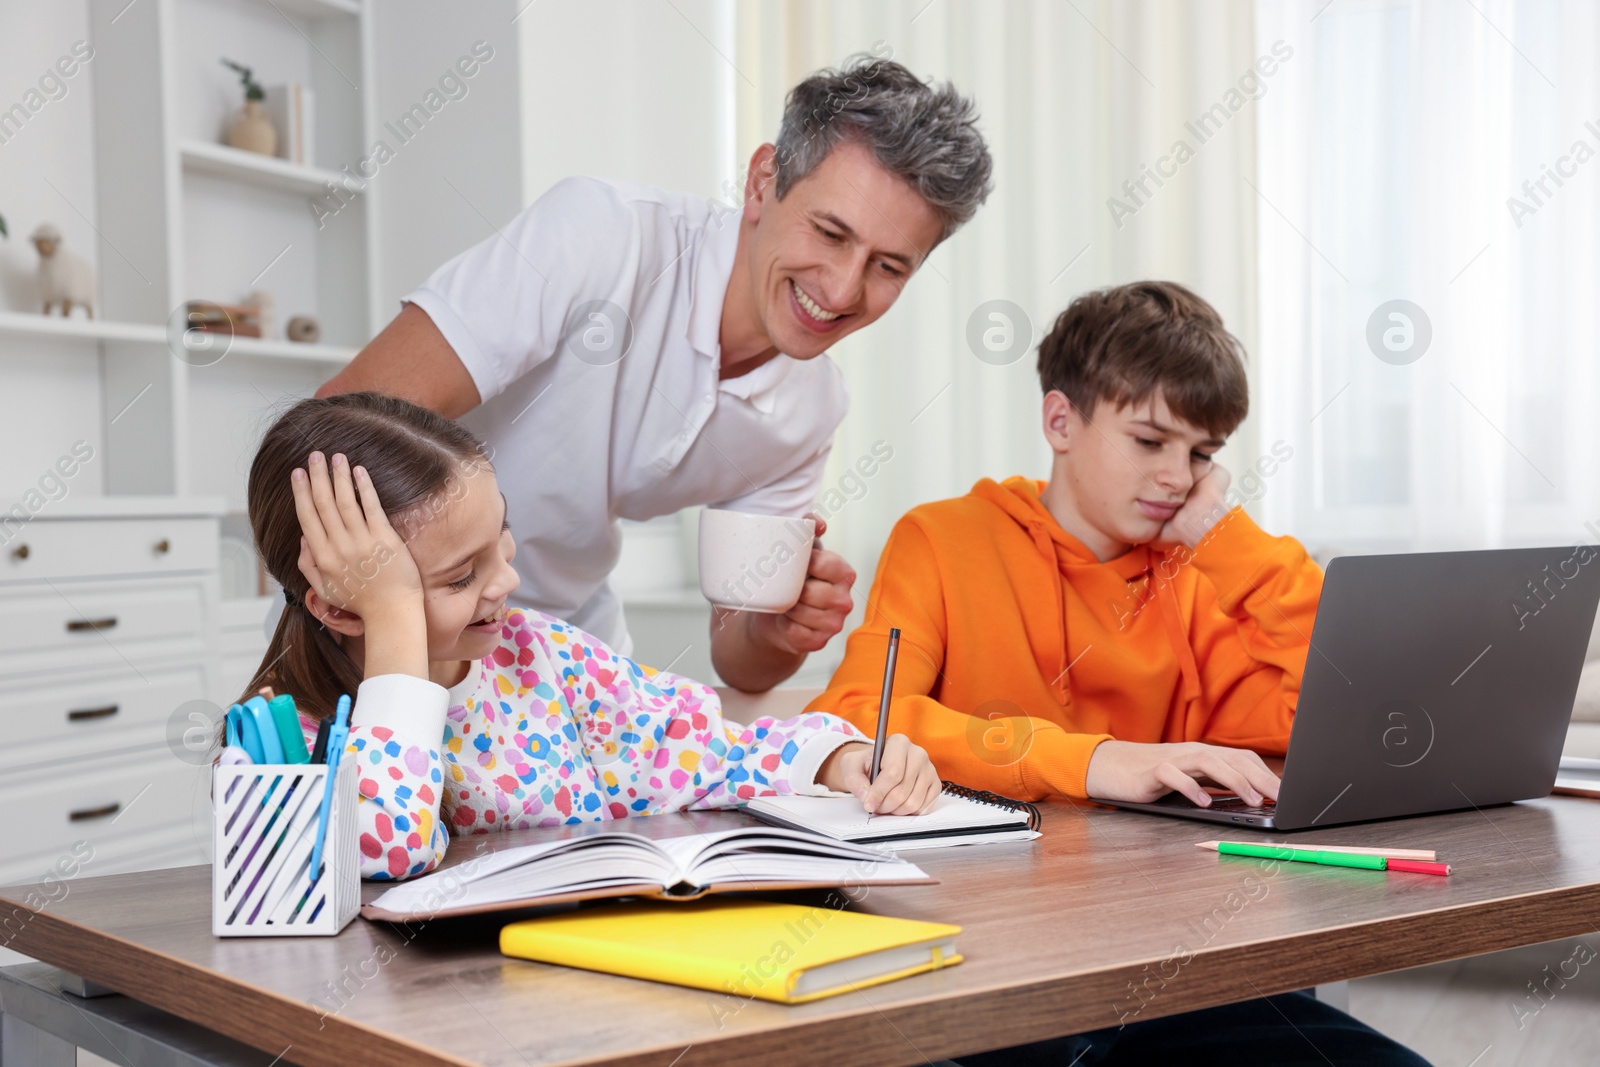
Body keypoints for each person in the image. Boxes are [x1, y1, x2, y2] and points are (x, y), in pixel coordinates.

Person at [808, 281, 1430, 1065]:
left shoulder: (1196, 572)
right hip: (987, 953)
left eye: (1202, 455)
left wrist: (1230, 540)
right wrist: (1096, 760)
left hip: (1170, 956)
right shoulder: (942, 538)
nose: (1178, 477)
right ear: (1061, 420)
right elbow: (859, 716)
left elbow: (1338, 706)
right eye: (1150, 441)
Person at [314, 54, 994, 693]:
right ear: (763, 181)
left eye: (888, 266)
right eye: (830, 232)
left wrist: (777, 631)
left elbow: (738, 659)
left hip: (567, 664)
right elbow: (340, 420)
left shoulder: (809, 409)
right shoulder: (603, 235)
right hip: (393, 637)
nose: (844, 289)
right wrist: (402, 616)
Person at [239, 392, 941, 881]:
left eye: (501, 541)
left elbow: (705, 747)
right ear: (341, 608)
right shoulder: (285, 739)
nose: (505, 584)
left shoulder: (541, 656)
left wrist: (839, 757)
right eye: (460, 577)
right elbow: (383, 849)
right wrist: (394, 623)